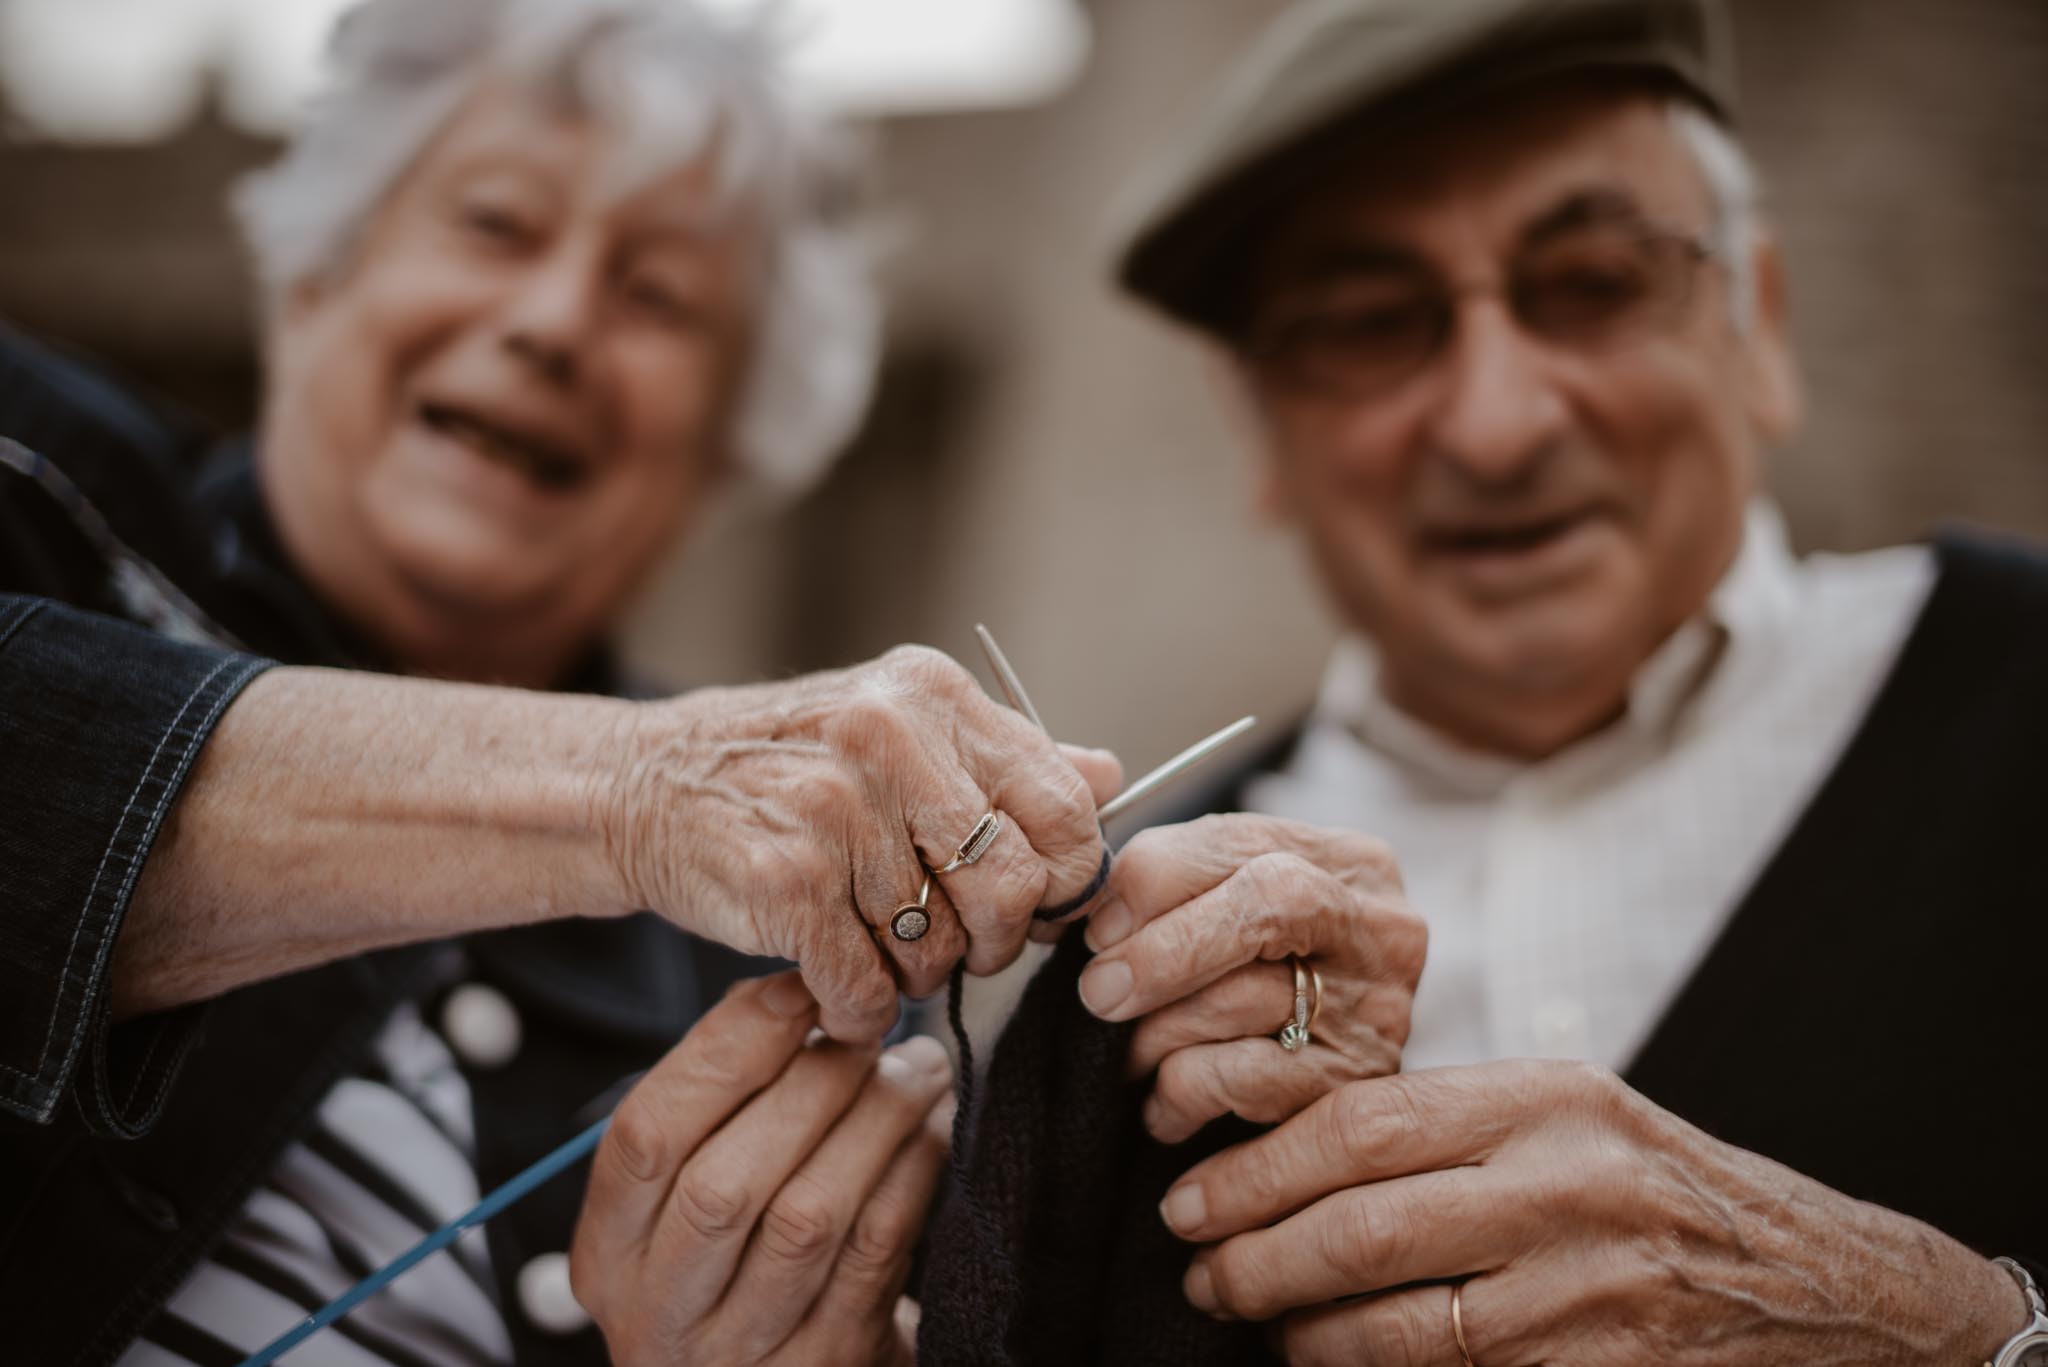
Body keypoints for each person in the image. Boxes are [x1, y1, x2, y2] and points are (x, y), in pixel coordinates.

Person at [1, 2, 1424, 1363]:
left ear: (733, 441)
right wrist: (628, 792)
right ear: (315, 277)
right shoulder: (35, 476)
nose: (554, 320)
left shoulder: (806, 960)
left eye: (659, 297)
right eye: (494, 223)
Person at [917, 1, 2047, 1364]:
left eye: (1594, 281)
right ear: (1261, 431)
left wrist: (1961, 1333)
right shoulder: (1135, 976)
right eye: (1373, 323)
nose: (1498, 424)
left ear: (1762, 325)